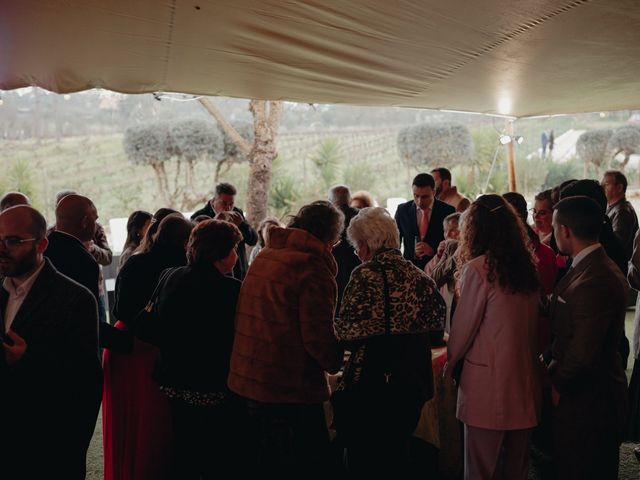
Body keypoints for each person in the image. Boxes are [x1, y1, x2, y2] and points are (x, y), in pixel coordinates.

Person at [228, 201, 344, 472]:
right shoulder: (311, 267)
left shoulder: (268, 254)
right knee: (305, 463)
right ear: (329, 236)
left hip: (249, 375)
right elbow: (317, 337)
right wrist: (337, 359)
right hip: (287, 385)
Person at [334, 207, 445, 473]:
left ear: (366, 244)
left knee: (368, 457)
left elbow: (346, 330)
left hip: (373, 381)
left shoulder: (365, 275)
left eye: (357, 246)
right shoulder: (419, 276)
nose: (357, 253)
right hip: (413, 380)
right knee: (398, 453)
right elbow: (437, 326)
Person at [138, 220, 246, 479]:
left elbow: (146, 325)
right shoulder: (231, 289)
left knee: (184, 446)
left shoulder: (170, 275)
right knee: (216, 453)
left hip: (173, 378)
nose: (236, 255)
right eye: (234, 249)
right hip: (212, 383)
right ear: (221, 252)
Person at [0, 205, 102, 479]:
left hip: (48, 447)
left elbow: (86, 384)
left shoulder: (75, 299)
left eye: (12, 241)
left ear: (42, 244)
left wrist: (28, 359)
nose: (2, 249)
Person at [446, 194, 541, 480]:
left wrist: (450, 364)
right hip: (523, 379)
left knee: (480, 468)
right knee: (516, 467)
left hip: (486, 384)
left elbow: (463, 331)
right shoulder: (527, 266)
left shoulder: (478, 269)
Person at [103, 214, 193, 480]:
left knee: (129, 424)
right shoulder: (183, 266)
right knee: (157, 424)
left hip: (125, 344)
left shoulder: (136, 262)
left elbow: (118, 308)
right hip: (156, 349)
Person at [548, 196, 628, 479]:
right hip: (587, 394)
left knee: (583, 467)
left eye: (554, 226)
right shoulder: (588, 263)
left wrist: (558, 384)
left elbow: (583, 351)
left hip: (590, 399)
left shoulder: (595, 277)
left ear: (565, 230)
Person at [46, 194, 128, 351]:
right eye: (94, 219)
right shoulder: (83, 260)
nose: (96, 224)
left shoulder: (45, 249)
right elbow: (87, 321)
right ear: (84, 222)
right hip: (75, 351)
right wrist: (127, 343)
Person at [190, 182, 258, 280]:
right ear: (214, 200)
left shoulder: (237, 213)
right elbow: (196, 247)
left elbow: (253, 240)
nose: (228, 208)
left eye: (231, 204)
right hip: (213, 276)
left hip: (240, 273)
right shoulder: (199, 216)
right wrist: (214, 222)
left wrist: (242, 225)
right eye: (224, 203)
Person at [395, 173, 455, 270]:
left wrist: (433, 251)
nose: (419, 201)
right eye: (416, 196)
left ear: (434, 192)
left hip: (438, 269)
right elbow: (395, 242)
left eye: (425, 197)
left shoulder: (448, 211)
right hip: (409, 269)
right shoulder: (403, 210)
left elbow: (454, 244)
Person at [425, 212, 461, 332]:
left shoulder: (465, 252)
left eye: (453, 230)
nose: (448, 235)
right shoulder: (445, 250)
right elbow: (429, 276)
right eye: (445, 231)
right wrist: (439, 256)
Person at [329, 185, 361, 314]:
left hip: (334, 270)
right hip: (357, 268)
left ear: (331, 201)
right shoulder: (360, 216)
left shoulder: (328, 218)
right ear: (349, 199)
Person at [602, 170, 638, 260]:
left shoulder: (622, 211)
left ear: (619, 188)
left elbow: (617, 245)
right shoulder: (614, 208)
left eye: (606, 184)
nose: (602, 187)